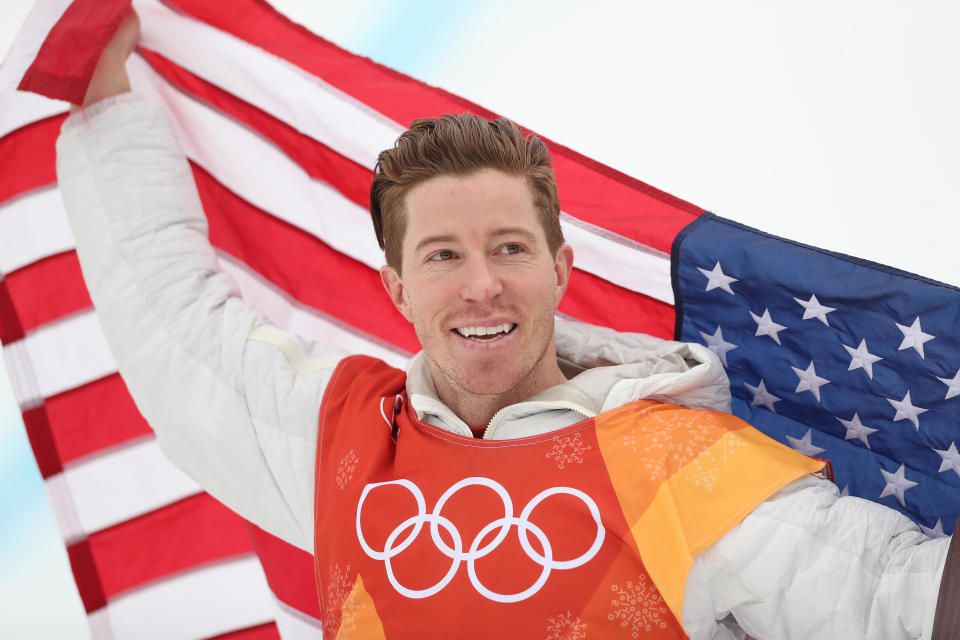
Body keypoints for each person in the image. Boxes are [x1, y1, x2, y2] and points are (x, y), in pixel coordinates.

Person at [56, 9, 955, 639]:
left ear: (561, 269)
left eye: (511, 249)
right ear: (398, 289)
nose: (482, 286)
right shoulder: (345, 441)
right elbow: (175, 335)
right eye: (443, 255)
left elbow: (892, 601)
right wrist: (107, 107)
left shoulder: (678, 463)